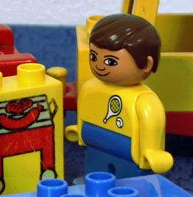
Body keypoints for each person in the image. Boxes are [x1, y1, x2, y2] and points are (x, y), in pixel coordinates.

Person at [66, 14, 172, 178]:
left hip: (129, 156)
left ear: (146, 64)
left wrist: (152, 151)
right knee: (94, 174)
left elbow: (152, 123)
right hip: (95, 145)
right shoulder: (90, 88)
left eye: (111, 61)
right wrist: (80, 130)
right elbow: (86, 111)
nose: (99, 65)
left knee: (130, 182)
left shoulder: (144, 101)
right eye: (94, 56)